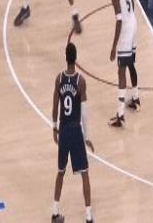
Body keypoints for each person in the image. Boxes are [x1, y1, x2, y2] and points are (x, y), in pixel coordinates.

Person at [51, 42, 94, 223]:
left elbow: (55, 106)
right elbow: (84, 113)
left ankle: (55, 212)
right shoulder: (80, 81)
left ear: (65, 57)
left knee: (60, 172)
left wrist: (54, 128)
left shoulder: (59, 79)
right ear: (75, 59)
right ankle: (88, 216)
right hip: (75, 130)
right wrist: (87, 137)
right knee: (84, 173)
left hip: (63, 130)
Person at [107, 0, 140, 128]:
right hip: (134, 23)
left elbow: (119, 20)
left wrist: (114, 46)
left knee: (121, 71)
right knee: (131, 63)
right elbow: (132, 2)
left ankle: (120, 115)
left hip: (126, 30)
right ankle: (135, 98)